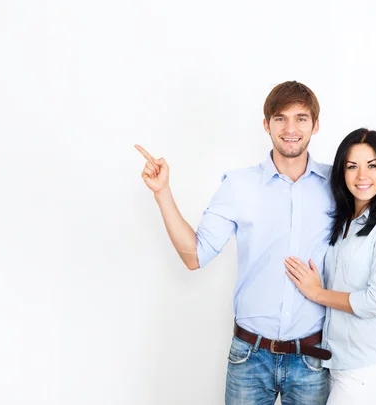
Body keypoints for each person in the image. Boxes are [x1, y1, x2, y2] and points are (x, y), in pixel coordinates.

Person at [135, 81, 334, 405]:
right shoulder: (239, 185)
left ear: (316, 124)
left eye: (301, 117)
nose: (291, 128)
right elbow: (194, 256)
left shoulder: (336, 184)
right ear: (266, 124)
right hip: (249, 358)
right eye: (280, 118)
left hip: (312, 359)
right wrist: (162, 193)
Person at [284, 128, 376, 405]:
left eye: (372, 166)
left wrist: (317, 293)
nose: (362, 176)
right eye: (352, 166)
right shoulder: (344, 223)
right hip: (334, 364)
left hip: (367, 369)